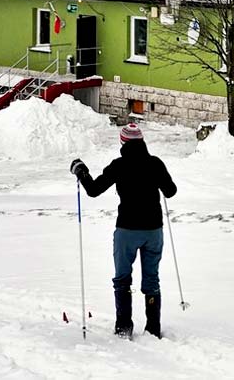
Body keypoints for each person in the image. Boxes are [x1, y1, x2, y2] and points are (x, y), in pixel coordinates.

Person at [70, 123, 177, 339]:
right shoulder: (155, 163)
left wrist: (81, 172)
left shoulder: (119, 165)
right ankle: (153, 329)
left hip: (127, 230)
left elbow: (93, 190)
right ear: (142, 141)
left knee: (122, 278)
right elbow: (171, 191)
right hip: (153, 230)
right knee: (151, 278)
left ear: (123, 142)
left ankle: (124, 327)